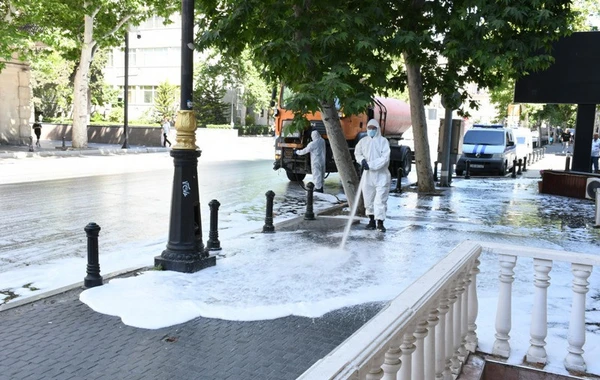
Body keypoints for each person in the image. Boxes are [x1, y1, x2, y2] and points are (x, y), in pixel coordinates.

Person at [354, 119, 391, 232]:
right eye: (369, 128)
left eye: (373, 128)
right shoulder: (363, 141)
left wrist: (370, 165)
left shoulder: (383, 142)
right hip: (368, 176)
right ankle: (371, 221)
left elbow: (384, 158)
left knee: (380, 200)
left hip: (381, 175)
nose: (371, 130)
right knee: (368, 199)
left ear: (377, 129)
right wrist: (362, 161)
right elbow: (357, 153)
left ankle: (380, 222)